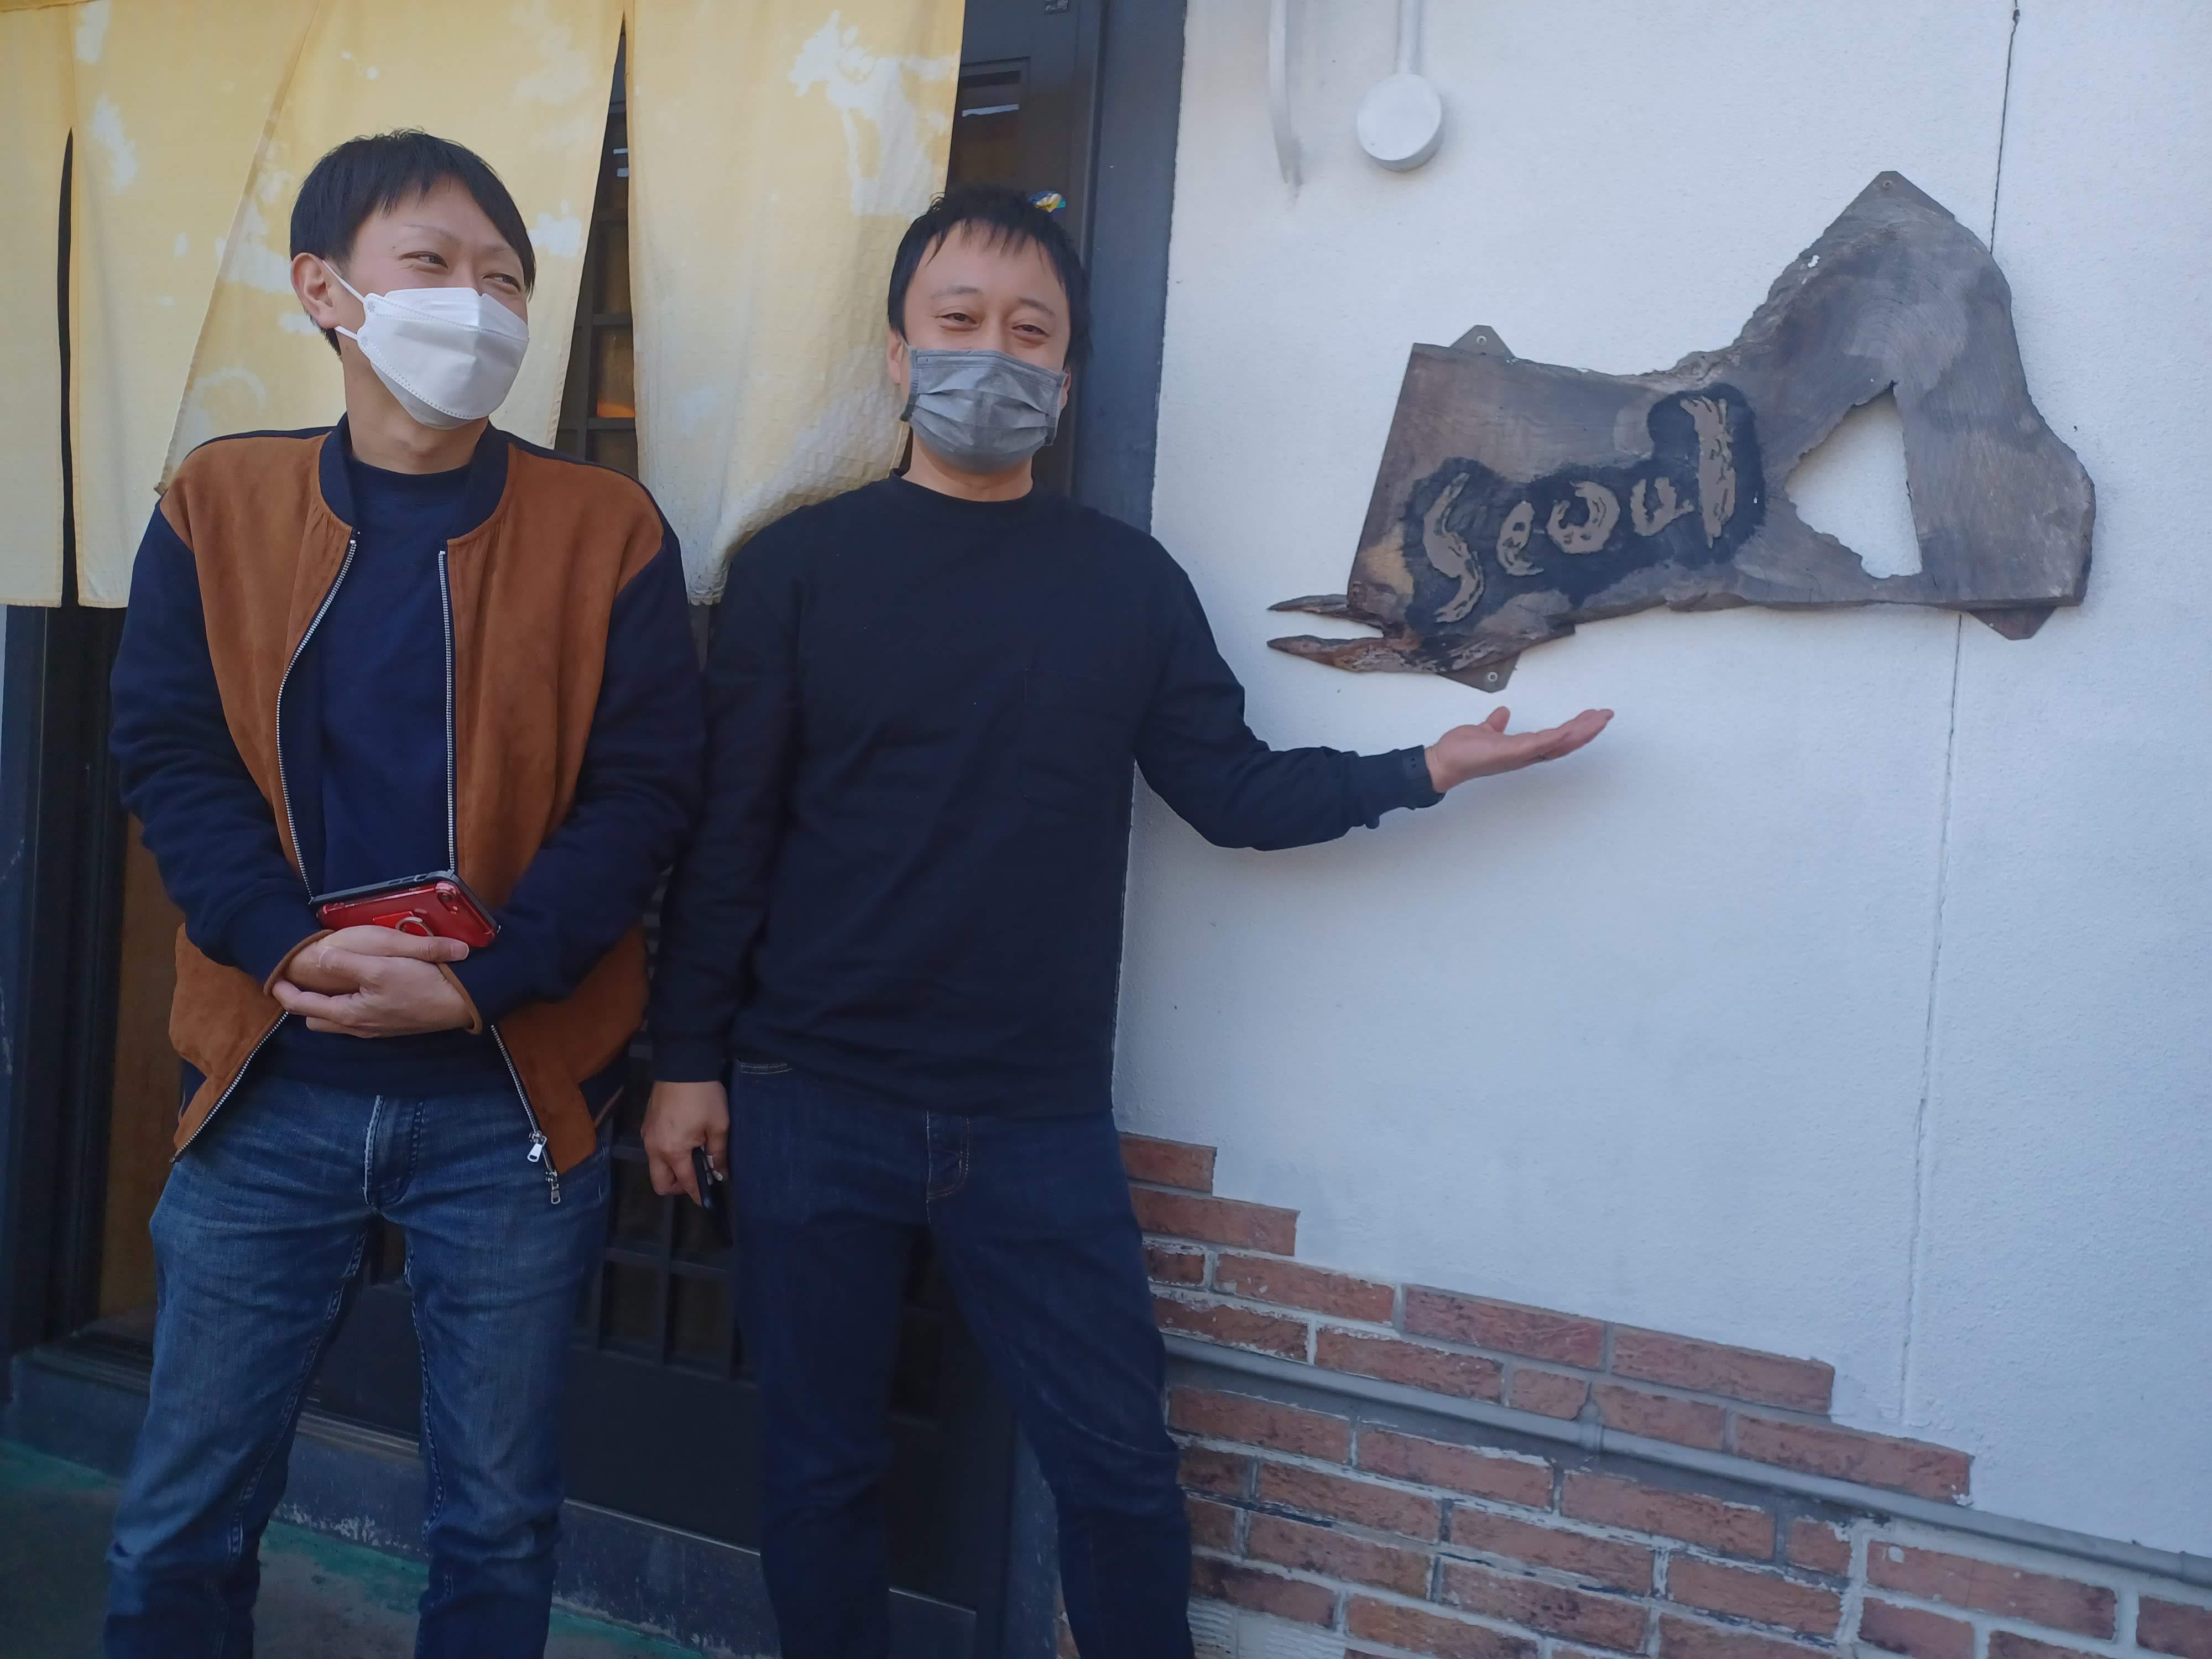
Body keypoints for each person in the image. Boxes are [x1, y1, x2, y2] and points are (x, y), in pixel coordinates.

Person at [641, 182, 1611, 1659]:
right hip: (808, 1095)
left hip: (1031, 1117)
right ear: (899, 354)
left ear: (1067, 371)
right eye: (959, 320)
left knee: (1118, 1475)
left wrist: (1425, 767)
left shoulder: (1126, 586)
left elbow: (1230, 789)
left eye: (1031, 331)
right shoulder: (794, 572)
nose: (994, 352)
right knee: (821, 1472)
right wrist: (686, 1060)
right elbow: (728, 841)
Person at [103, 131, 702, 1658]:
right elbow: (169, 754)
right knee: (183, 1514)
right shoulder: (217, 503)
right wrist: (282, 944)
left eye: (505, 279)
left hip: (509, 1098)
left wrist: (482, 979)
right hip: (267, 1076)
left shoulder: (606, 529)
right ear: (326, 289)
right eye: (432, 264)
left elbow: (642, 794)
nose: (476, 304)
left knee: (496, 1525)